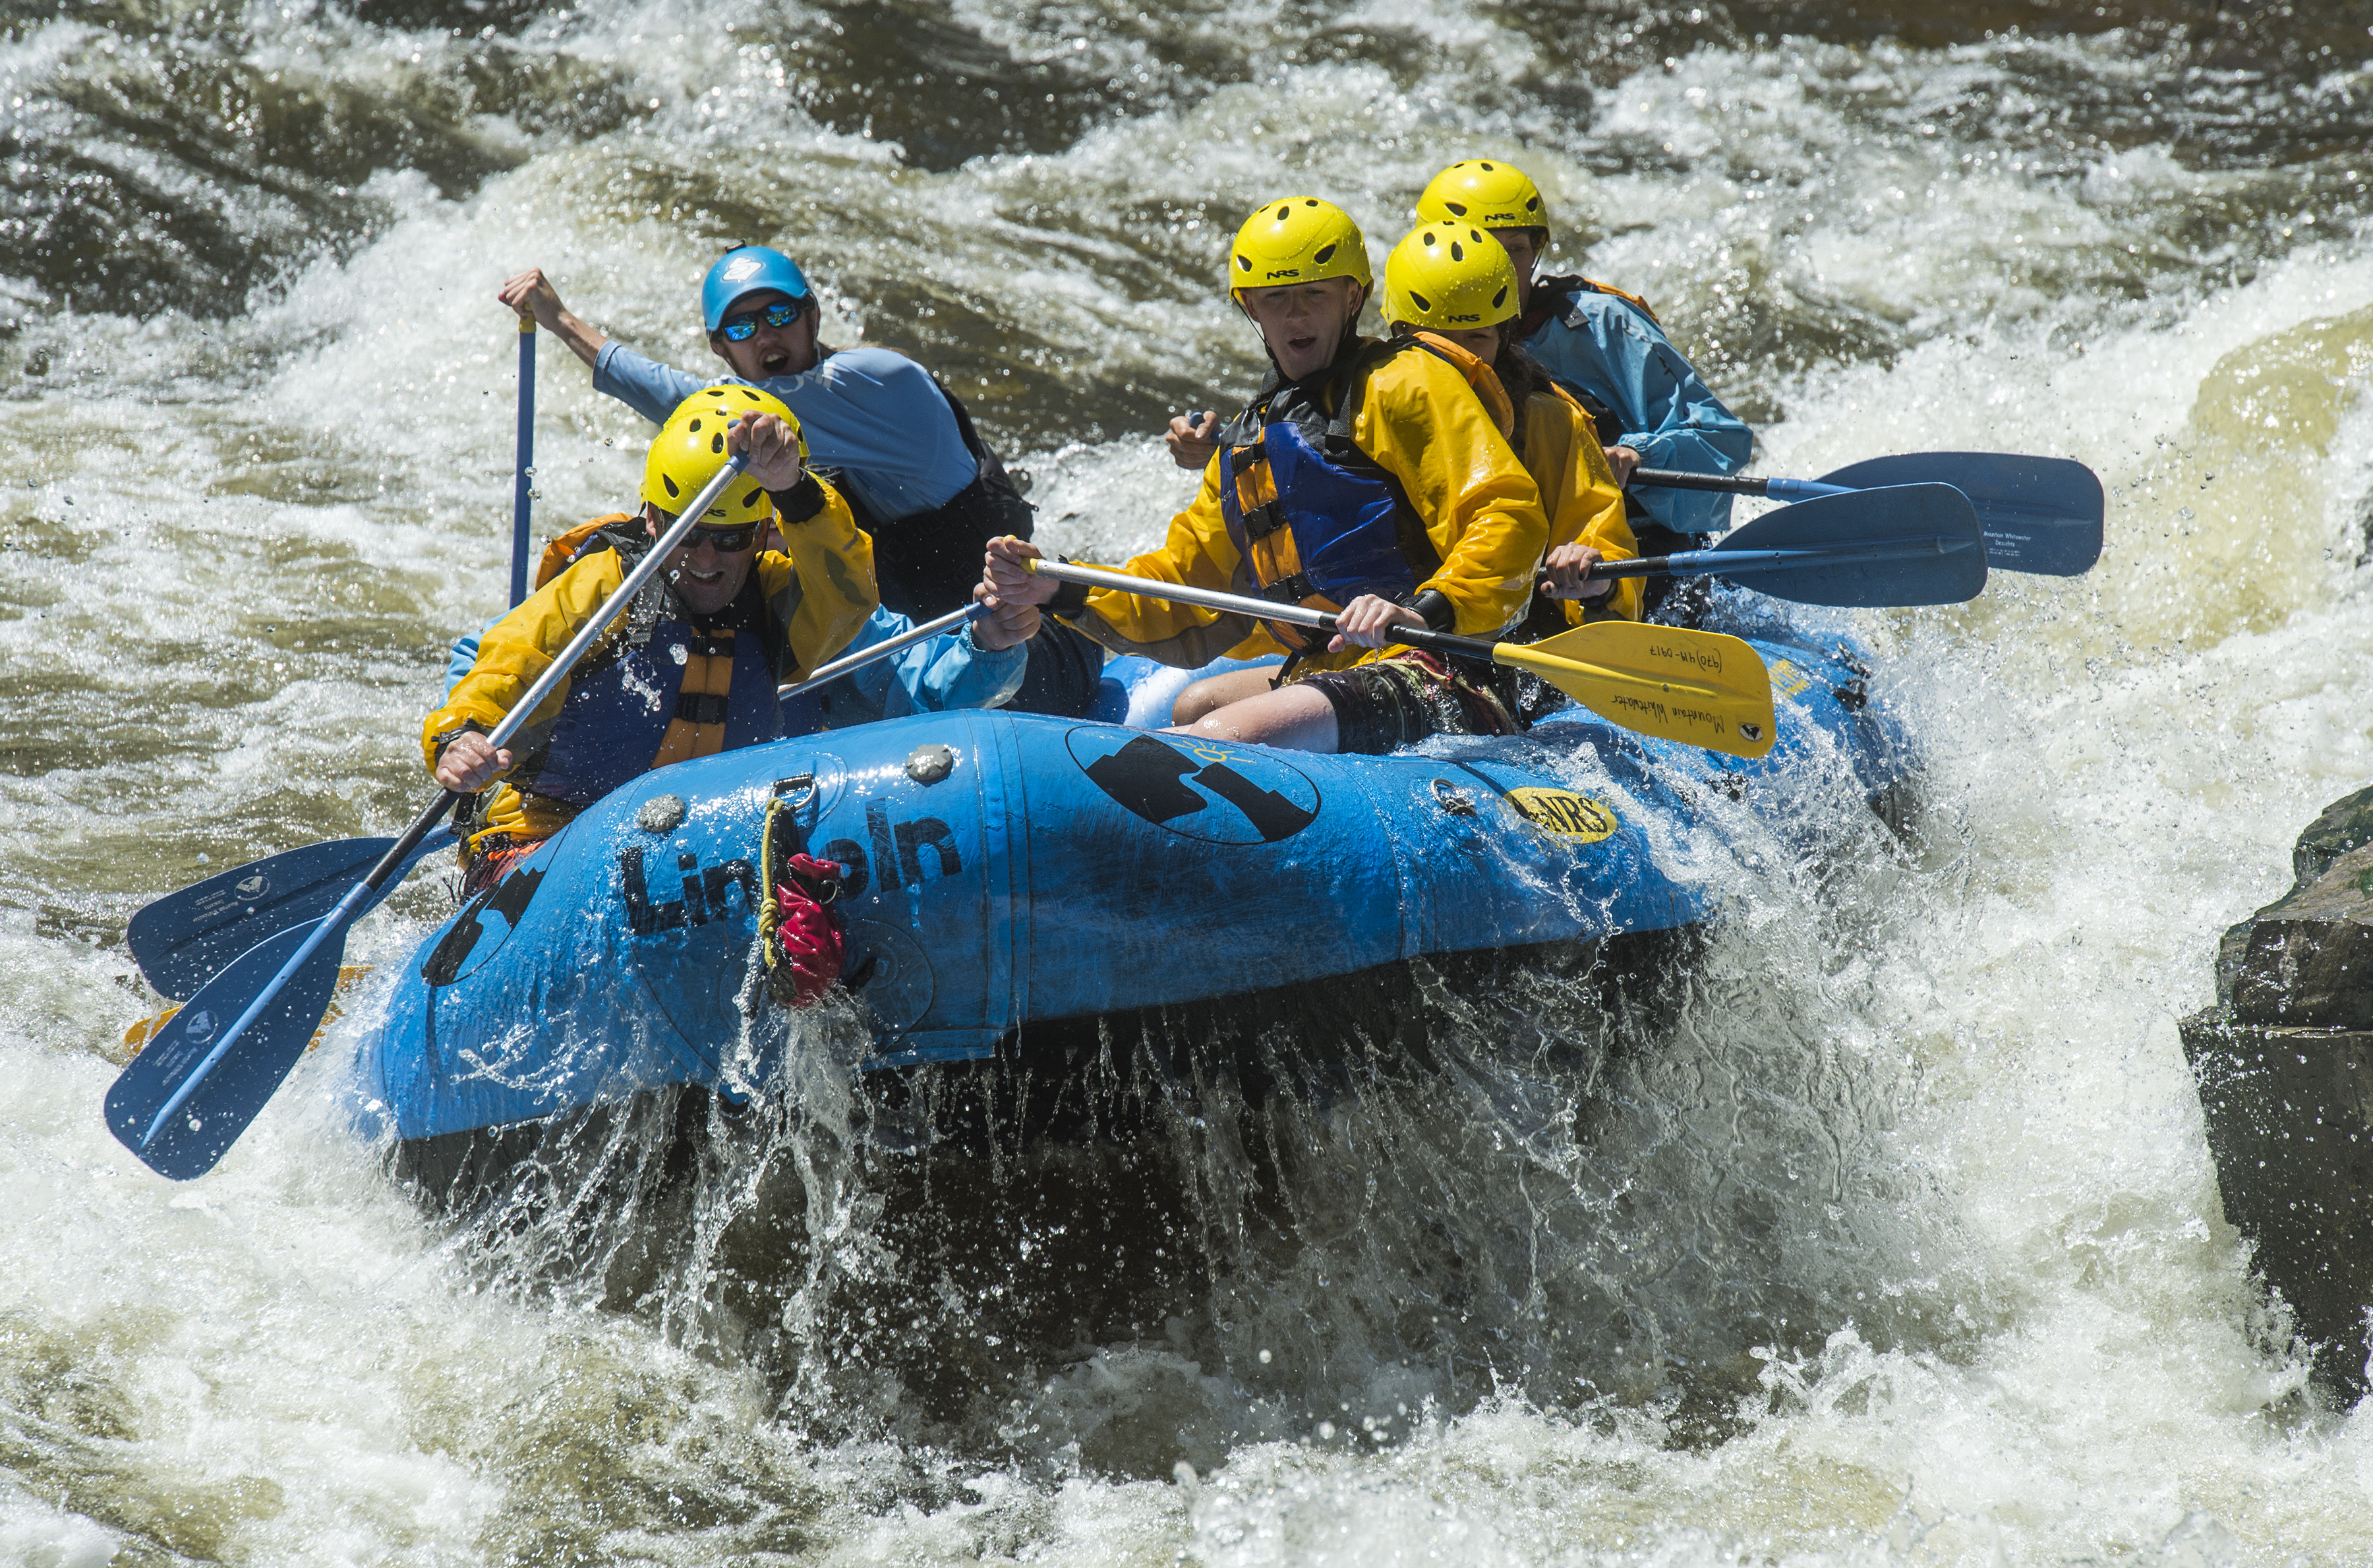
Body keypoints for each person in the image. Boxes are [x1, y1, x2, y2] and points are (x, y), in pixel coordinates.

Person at [986, 196, 1548, 757]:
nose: (1296, 316)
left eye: (1314, 295)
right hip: (1333, 665)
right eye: (1276, 299)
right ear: (1252, 308)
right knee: (1194, 708)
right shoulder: (1248, 440)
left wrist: (1426, 609)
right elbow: (1184, 588)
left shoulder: (1404, 383)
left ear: (1353, 298)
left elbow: (1506, 514)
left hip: (1439, 667)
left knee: (1202, 742)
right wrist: (1059, 586)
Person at [496, 247, 1105, 715]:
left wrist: (564, 322)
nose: (766, 335)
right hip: (908, 657)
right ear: (721, 348)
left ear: (812, 317)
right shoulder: (795, 461)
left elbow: (700, 407)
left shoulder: (877, 382)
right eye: (742, 328)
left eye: (780, 315)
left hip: (1019, 659)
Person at [426, 386, 981, 889]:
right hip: (549, 831)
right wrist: (460, 736)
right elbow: (513, 660)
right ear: (651, 521)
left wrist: (795, 490)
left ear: (765, 533)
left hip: (705, 840)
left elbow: (849, 596)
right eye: (686, 535)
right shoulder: (602, 588)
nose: (707, 560)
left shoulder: (774, 599)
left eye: (730, 538)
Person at [1167, 220, 1644, 726]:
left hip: (1510, 648)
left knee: (1229, 725)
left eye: (1477, 336)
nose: (1452, 356)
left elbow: (1586, 536)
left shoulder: (1549, 420)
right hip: (1378, 641)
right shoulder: (1397, 399)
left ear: (1505, 336)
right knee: (1195, 705)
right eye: (1432, 339)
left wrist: (1597, 580)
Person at [1411, 159, 1753, 602]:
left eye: (1514, 248)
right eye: (1479, 248)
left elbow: (1721, 445)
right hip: (1501, 568)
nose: (1497, 267)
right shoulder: (1409, 349)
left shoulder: (1602, 325)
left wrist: (1635, 454)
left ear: (1536, 253)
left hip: (1636, 561)